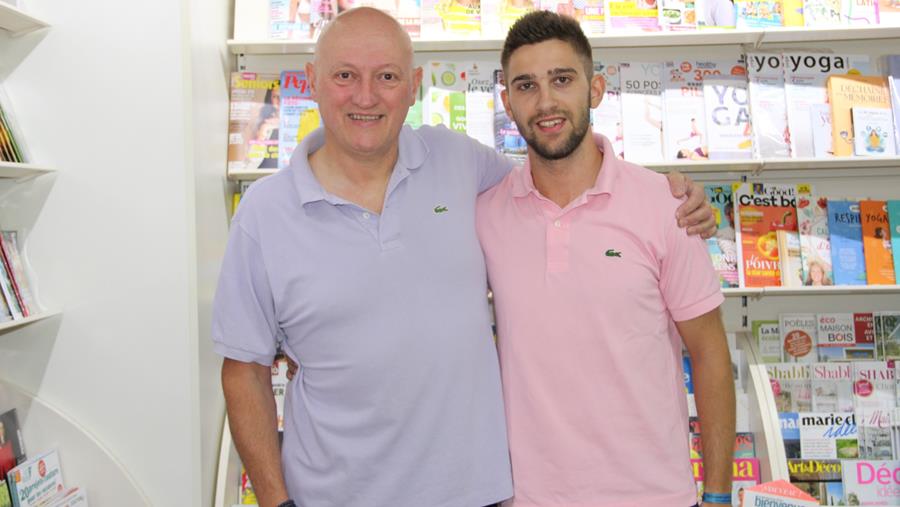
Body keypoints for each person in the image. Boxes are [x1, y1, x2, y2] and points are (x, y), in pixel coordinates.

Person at [212, 7, 716, 507]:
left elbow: (558, 168)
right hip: (331, 494)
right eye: (345, 75)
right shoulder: (263, 215)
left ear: (414, 86)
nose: (365, 96)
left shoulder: (458, 163)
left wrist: (667, 194)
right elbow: (243, 371)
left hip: (477, 494)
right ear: (312, 82)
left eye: (386, 76)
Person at [476, 11, 735, 507]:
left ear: (595, 89)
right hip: (530, 497)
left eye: (562, 80)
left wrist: (718, 495)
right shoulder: (486, 213)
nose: (546, 101)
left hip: (655, 495)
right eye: (526, 86)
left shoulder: (666, 206)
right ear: (507, 103)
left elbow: (710, 355)